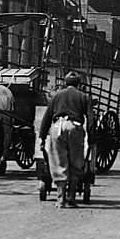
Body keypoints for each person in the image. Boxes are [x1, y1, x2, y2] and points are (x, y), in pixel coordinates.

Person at [38, 71, 89, 208]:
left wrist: (42, 137)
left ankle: (60, 199)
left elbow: (47, 117)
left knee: (59, 162)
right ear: (79, 84)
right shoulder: (83, 96)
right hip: (75, 128)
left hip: (57, 127)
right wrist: (92, 138)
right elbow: (91, 118)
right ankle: (71, 198)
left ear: (65, 83)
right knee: (75, 162)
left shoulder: (56, 96)